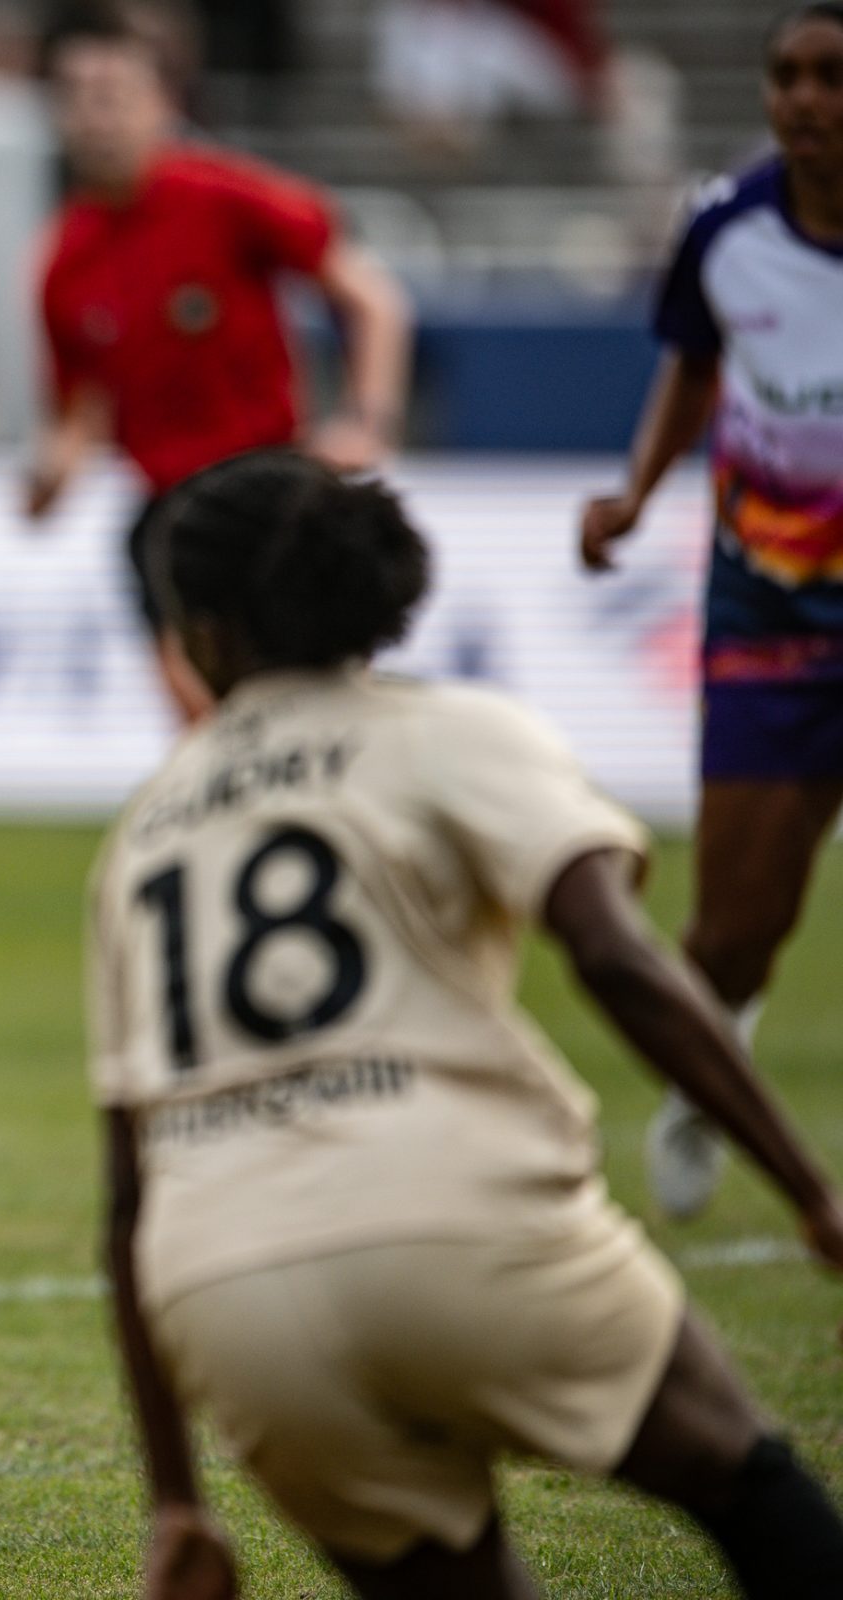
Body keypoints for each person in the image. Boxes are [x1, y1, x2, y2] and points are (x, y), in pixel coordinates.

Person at [89, 449, 843, 1600]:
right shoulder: (450, 733)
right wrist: (807, 1185)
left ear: (206, 633)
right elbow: (616, 954)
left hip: (227, 1291)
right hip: (455, 1216)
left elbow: (124, 1192)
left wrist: (178, 1503)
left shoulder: (143, 833)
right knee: (751, 1491)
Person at [579, 3, 843, 1226]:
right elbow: (690, 366)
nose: (800, 100)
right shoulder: (726, 232)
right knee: (737, 925)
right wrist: (635, 494)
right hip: (770, 605)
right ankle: (706, 1083)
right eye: (783, 76)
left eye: (827, 78)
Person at [25, 0, 410, 724]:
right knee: (204, 719)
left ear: (160, 100)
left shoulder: (228, 199)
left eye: (111, 95)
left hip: (271, 487)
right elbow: (74, 409)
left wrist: (369, 420)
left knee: (312, 702)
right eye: (74, 96)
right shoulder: (64, 260)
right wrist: (52, 472)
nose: (93, 115)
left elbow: (373, 299)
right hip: (170, 510)